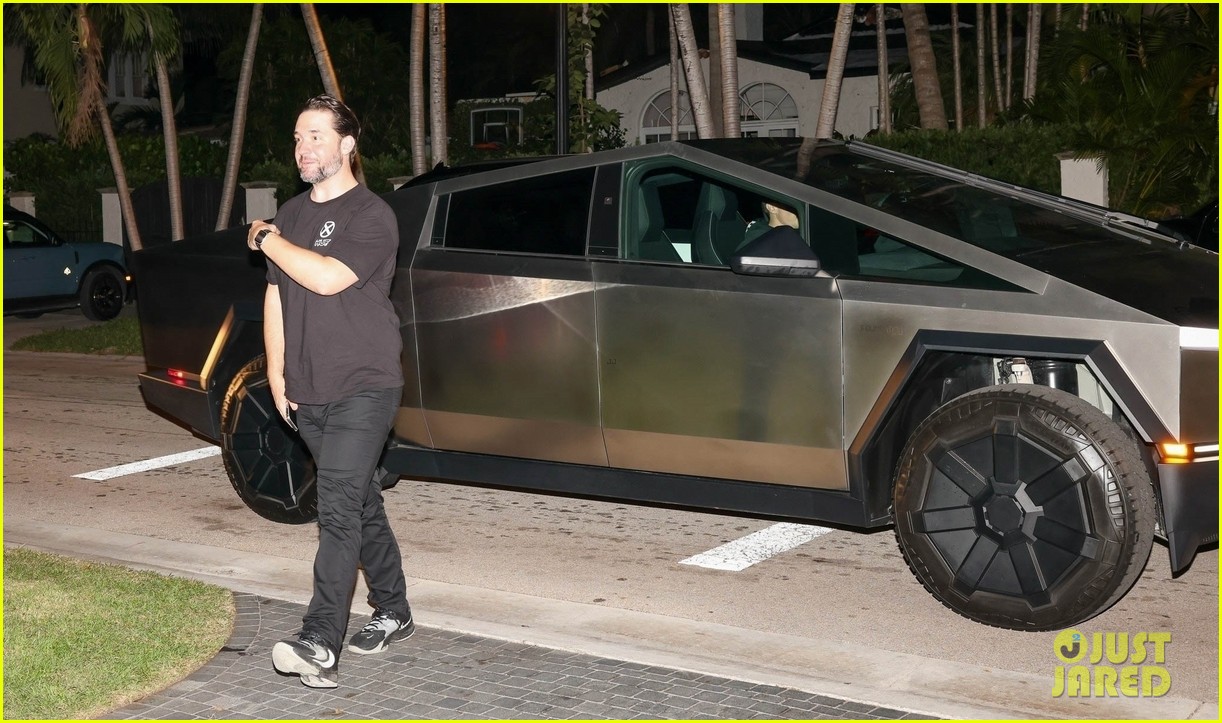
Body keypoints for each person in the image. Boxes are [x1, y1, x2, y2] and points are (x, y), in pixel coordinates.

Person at [247, 94, 412, 689]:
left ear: (347, 145)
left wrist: (263, 237)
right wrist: (276, 372)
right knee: (359, 498)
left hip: (364, 384)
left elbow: (322, 277)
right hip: (308, 388)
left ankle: (319, 639)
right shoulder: (289, 214)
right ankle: (393, 609)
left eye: (316, 136)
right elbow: (276, 296)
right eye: (297, 137)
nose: (303, 148)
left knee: (337, 508)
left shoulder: (372, 215)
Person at [735, 200, 818, 261]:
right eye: (791, 204)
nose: (801, 209)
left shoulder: (806, 231)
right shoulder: (760, 240)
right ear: (772, 208)